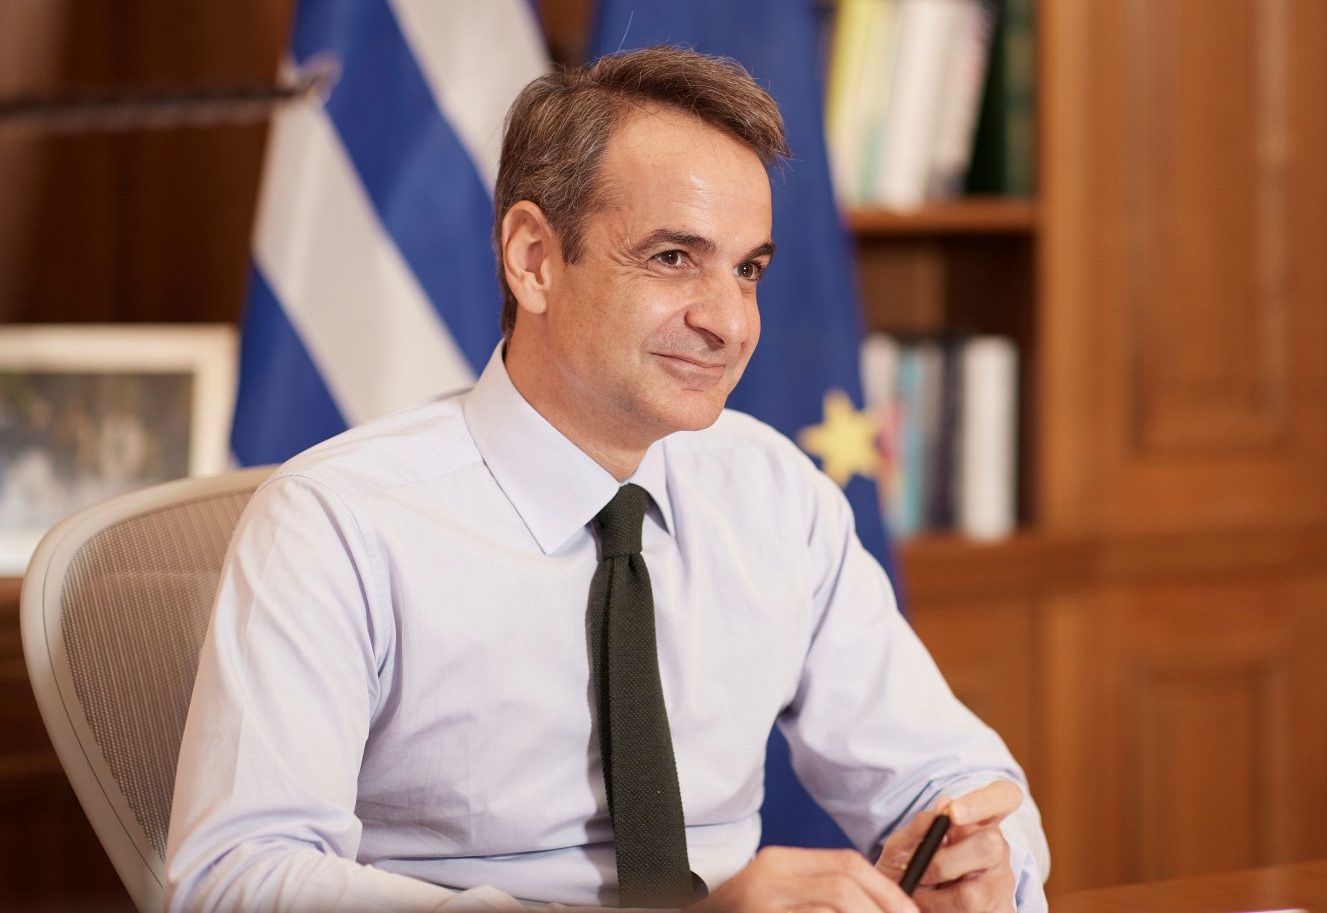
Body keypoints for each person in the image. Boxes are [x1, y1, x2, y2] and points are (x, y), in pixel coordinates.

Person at [165, 47, 1049, 913]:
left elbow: (954, 777)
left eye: (747, 269)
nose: (730, 323)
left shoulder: (775, 495)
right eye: (673, 258)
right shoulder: (338, 523)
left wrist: (980, 863)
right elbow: (235, 880)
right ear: (534, 260)